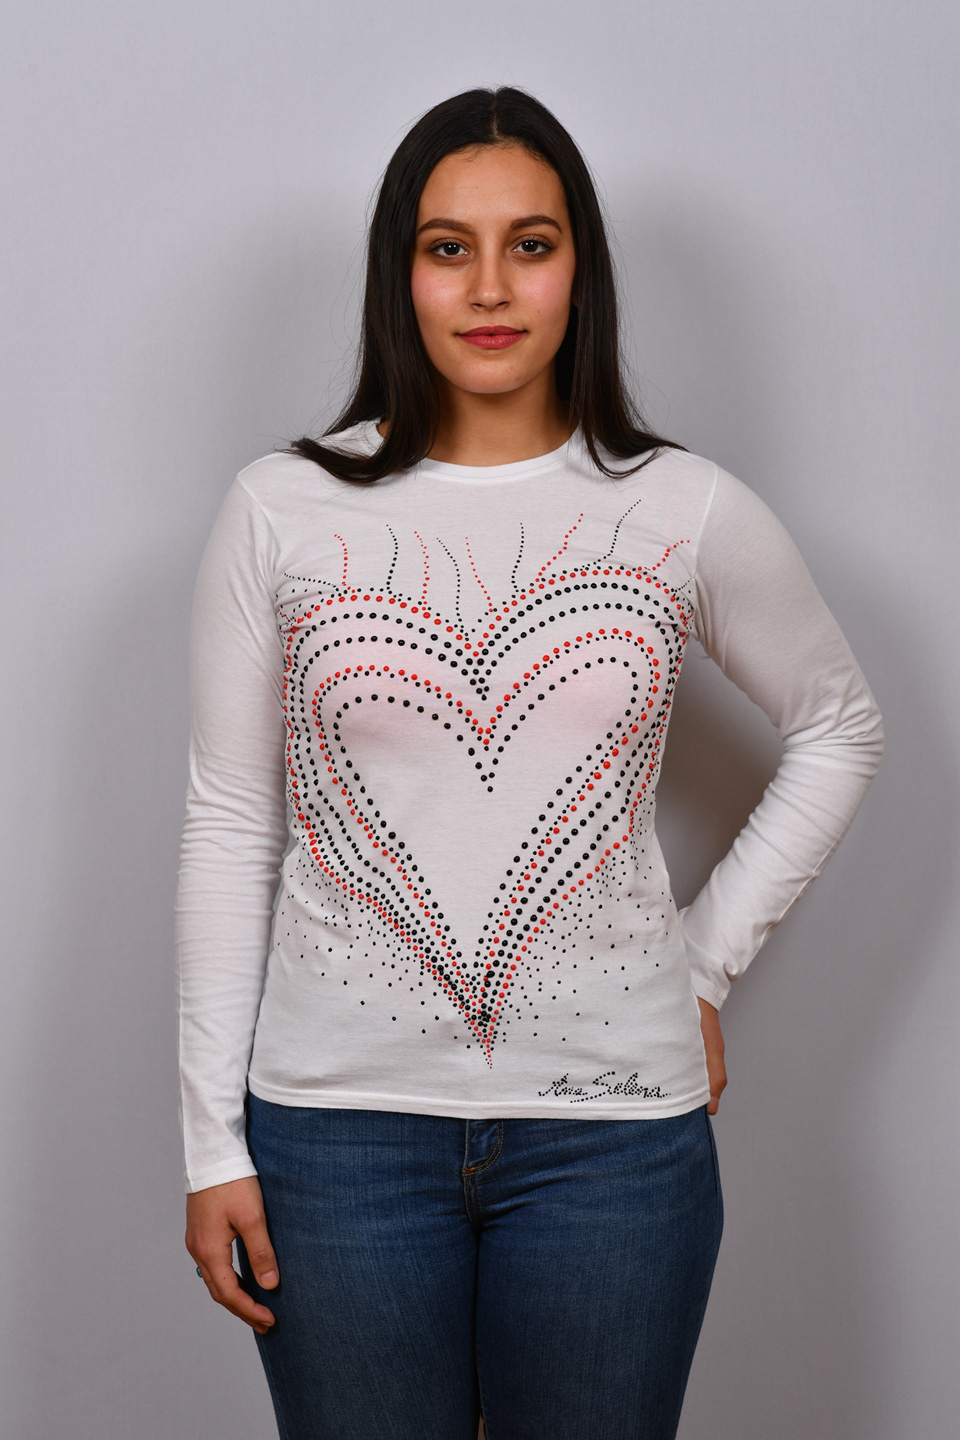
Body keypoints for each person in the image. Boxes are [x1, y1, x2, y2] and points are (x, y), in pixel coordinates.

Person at [178, 87, 883, 1440]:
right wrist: (213, 1143)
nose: (490, 287)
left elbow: (841, 725)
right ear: (400, 274)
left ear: (581, 269)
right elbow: (227, 822)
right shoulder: (283, 507)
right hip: (337, 1139)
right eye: (448, 247)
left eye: (532, 245)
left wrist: (703, 964)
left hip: (613, 1140)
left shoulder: (680, 507)